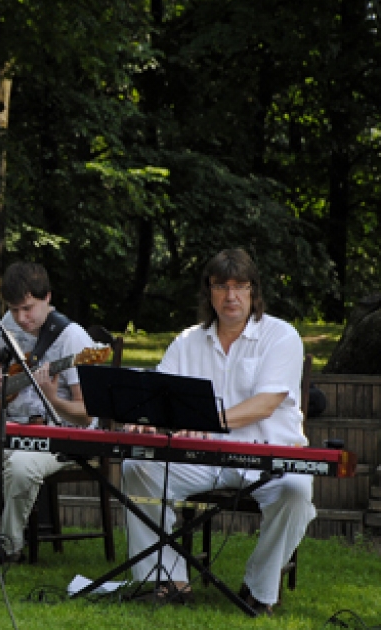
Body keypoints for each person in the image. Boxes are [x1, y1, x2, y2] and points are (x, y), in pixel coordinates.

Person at [122, 248, 312, 615]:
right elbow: (160, 394)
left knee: (296, 489)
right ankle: (170, 579)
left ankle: (259, 586)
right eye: (221, 286)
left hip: (267, 455)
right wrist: (143, 416)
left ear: (254, 291)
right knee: (137, 467)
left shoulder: (281, 336)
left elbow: (266, 404)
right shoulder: (187, 341)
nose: (231, 296)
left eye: (240, 286)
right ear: (208, 292)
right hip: (201, 458)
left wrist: (210, 420)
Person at [0, 262, 96, 562]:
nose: (21, 318)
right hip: (14, 427)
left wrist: (54, 399)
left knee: (22, 464)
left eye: (28, 309)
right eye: (14, 309)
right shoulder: (11, 319)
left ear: (47, 297)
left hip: (59, 436)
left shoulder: (72, 339)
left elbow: (86, 415)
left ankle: (7, 549)